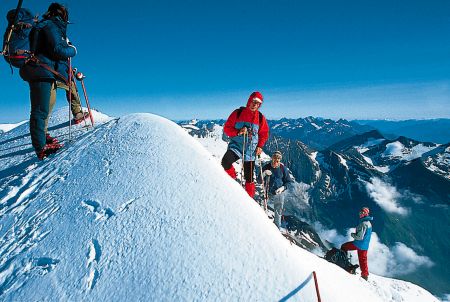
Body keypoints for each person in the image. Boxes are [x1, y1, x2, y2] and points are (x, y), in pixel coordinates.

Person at [19, 3, 85, 160]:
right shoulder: (51, 26)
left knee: (45, 106)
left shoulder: (47, 26)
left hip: (44, 70)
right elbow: (57, 49)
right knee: (40, 110)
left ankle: (43, 138)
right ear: (62, 15)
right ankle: (41, 148)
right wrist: (72, 49)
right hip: (42, 71)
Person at [221, 91, 269, 198]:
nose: (254, 105)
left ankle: (249, 200)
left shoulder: (260, 118)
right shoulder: (237, 113)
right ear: (249, 101)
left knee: (249, 178)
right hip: (237, 146)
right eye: (253, 102)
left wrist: (260, 146)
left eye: (257, 103)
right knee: (226, 161)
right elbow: (227, 128)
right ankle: (233, 180)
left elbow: (264, 133)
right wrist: (237, 132)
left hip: (250, 150)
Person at [260, 151, 293, 229]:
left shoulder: (283, 169)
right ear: (272, 158)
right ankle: (261, 223)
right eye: (274, 159)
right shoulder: (266, 167)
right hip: (268, 191)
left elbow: (288, 182)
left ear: (280, 160)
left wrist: (282, 188)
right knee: (260, 205)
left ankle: (277, 227)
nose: (276, 162)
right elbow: (259, 180)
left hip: (279, 192)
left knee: (278, 210)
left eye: (278, 160)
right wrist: (264, 173)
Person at [341, 207, 373, 281]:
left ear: (365, 214)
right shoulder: (369, 223)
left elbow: (360, 237)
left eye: (362, 213)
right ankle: (365, 275)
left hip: (358, 244)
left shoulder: (363, 224)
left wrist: (353, 235)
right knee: (363, 260)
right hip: (365, 245)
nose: (360, 214)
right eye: (360, 213)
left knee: (344, 247)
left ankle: (343, 262)